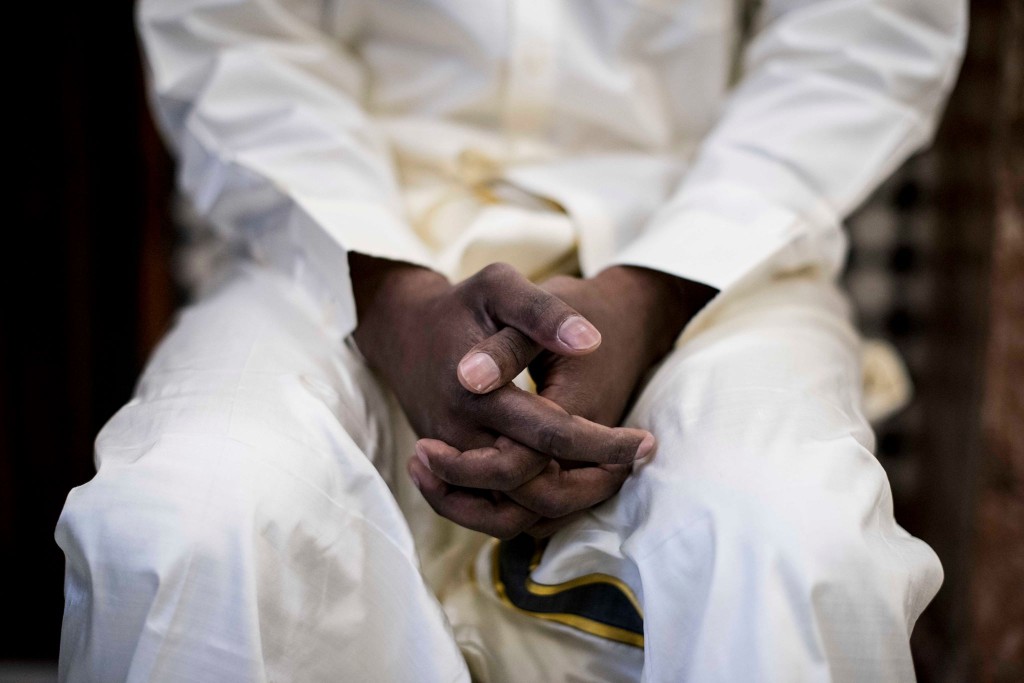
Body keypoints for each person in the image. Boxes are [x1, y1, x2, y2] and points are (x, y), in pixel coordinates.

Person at [56, 0, 966, 680]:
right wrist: (384, 290)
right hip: (336, 234)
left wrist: (651, 291)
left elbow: (862, 39)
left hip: (713, 244)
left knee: (794, 538)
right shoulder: (356, 257)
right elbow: (235, 35)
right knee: (183, 520)